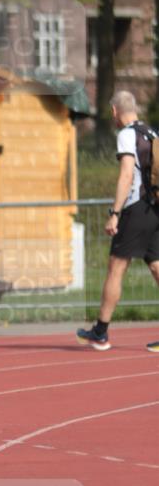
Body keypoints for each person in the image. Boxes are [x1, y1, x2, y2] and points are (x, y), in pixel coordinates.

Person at [76, 91, 159, 352]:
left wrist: (114, 212)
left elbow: (126, 175)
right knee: (157, 266)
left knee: (116, 267)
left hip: (136, 208)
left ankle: (100, 332)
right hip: (156, 208)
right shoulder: (152, 133)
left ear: (114, 111)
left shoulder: (126, 135)